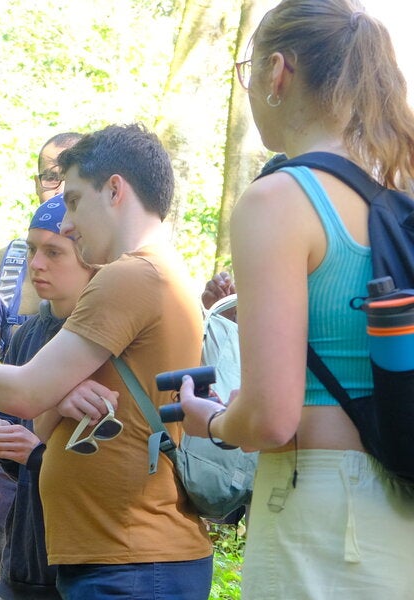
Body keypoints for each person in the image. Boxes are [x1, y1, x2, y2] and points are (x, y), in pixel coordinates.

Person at [0, 124, 213, 599]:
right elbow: (56, 411)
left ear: (115, 189)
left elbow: (25, 393)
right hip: (123, 556)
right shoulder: (164, 273)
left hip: (132, 561)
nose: (68, 222)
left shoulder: (129, 276)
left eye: (73, 200)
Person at [177, 1, 414, 597]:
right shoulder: (400, 188)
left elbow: (272, 418)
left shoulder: (280, 200)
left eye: (247, 68)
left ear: (277, 71)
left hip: (328, 507)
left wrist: (215, 420)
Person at [0, 132, 80, 600]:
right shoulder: (0, 271)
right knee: (19, 578)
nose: (61, 184)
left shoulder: (122, 280)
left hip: (79, 473)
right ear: (36, 183)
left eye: (73, 174)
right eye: (51, 174)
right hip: (10, 473)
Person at [0, 198, 95, 599]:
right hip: (26, 561)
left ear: (91, 257)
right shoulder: (27, 336)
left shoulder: (109, 334)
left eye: (53, 252)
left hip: (84, 564)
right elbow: (15, 448)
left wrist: (37, 449)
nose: (35, 264)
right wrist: (0, 443)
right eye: (31, 250)